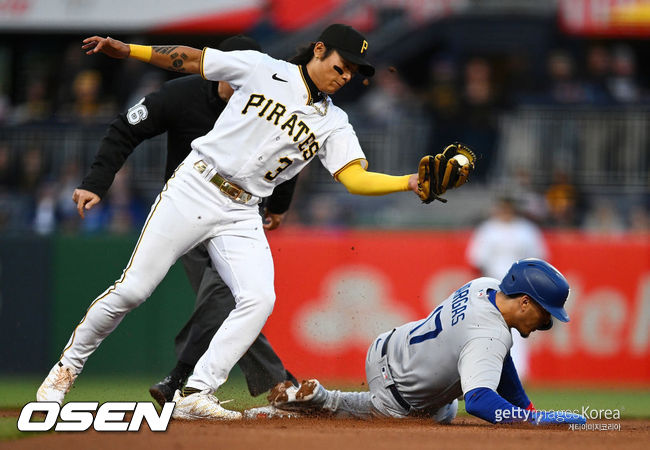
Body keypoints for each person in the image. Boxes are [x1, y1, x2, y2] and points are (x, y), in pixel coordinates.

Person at [37, 24, 425, 420]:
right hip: (196, 187)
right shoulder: (262, 69)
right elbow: (191, 59)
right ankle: (65, 370)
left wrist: (408, 182)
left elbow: (354, 177)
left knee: (259, 298)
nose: (345, 77)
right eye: (342, 66)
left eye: (352, 73)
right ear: (319, 50)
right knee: (134, 289)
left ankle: (197, 391)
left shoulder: (335, 122)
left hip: (243, 211)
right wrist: (132, 50)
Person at [71, 35, 298, 406]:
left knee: (231, 296)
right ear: (220, 65)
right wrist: (97, 181)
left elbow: (289, 155)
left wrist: (278, 206)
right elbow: (126, 126)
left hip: (238, 215)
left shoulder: (267, 104)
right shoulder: (184, 94)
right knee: (223, 299)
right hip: (186, 212)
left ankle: (183, 376)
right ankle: (276, 381)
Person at [259, 259, 586, 426]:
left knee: (447, 406)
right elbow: (480, 402)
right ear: (525, 302)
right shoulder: (490, 335)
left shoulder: (484, 286)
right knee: (436, 413)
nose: (547, 322)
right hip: (398, 399)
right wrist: (533, 419)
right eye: (547, 313)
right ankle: (323, 401)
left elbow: (499, 360)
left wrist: (524, 406)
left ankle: (313, 397)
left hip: (386, 346)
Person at [465, 196, 548, 381]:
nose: (505, 211)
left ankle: (519, 373)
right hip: (493, 285)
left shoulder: (526, 230)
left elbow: (538, 259)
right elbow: (477, 260)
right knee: (488, 329)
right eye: (503, 207)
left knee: (519, 329)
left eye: (508, 207)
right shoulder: (487, 229)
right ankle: (486, 372)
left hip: (520, 287)